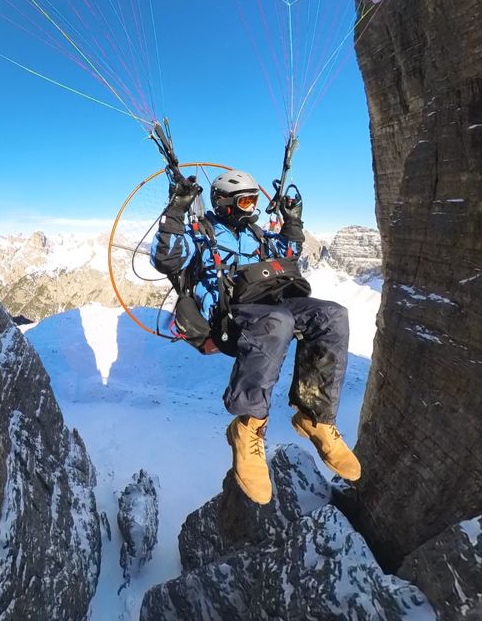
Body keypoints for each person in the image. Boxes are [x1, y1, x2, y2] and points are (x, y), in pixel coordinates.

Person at [151, 168, 361, 505]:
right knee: (277, 322)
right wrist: (175, 211)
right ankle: (248, 425)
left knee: (332, 315)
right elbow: (166, 259)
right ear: (223, 202)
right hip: (229, 311)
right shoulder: (200, 232)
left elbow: (289, 257)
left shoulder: (257, 234)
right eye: (244, 201)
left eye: (254, 201)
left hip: (271, 300)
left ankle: (315, 417)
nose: (251, 208)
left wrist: (292, 221)